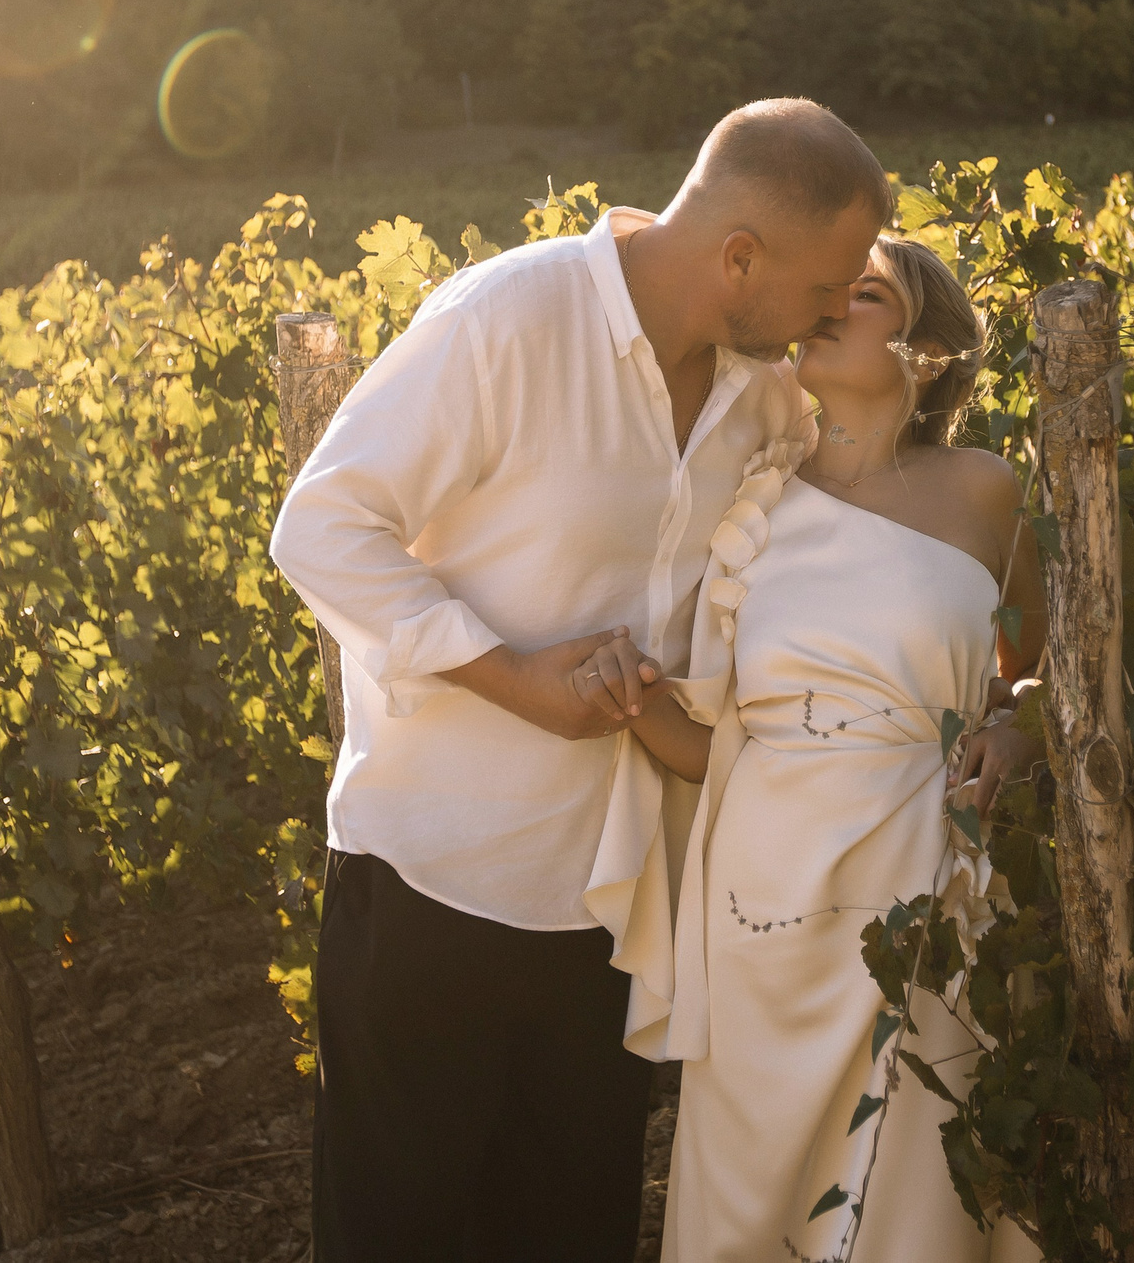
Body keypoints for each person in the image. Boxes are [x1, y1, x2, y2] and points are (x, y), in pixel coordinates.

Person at [270, 97, 890, 1262]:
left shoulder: (763, 398)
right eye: (827, 284)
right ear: (740, 256)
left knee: (569, 1238)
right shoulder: (508, 317)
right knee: (397, 1238)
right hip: (437, 878)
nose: (833, 311)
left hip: (617, 904)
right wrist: (513, 679)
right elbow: (321, 528)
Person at [604, 237, 1049, 1263]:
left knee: (915, 1178)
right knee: (753, 1188)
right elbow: (710, 745)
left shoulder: (984, 492)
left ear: (924, 346)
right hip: (762, 890)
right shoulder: (749, 503)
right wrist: (621, 697)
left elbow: (1045, 666)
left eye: (866, 293)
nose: (828, 306)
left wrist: (1016, 729)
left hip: (926, 871)